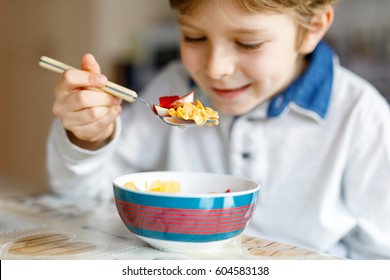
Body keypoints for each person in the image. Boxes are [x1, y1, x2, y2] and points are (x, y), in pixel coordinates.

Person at [46, 0, 390, 259]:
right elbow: (79, 196)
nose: (215, 68)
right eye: (194, 37)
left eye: (248, 43)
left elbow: (379, 256)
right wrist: (89, 137)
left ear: (313, 27)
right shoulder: (175, 87)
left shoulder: (361, 117)